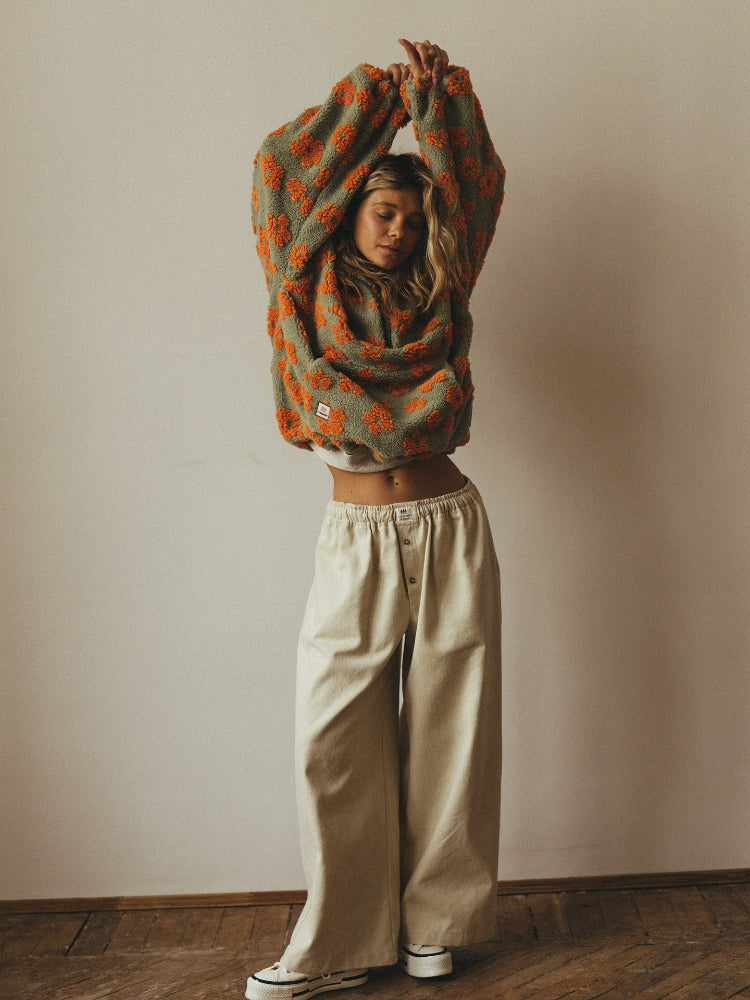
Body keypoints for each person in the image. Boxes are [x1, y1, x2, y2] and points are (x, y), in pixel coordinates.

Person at [246, 38, 505, 1000]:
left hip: (448, 521)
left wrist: (435, 107)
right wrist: (377, 98)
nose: (399, 231)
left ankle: (437, 924)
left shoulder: (443, 287)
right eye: (384, 212)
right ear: (347, 208)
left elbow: (477, 188)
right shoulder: (301, 285)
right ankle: (340, 943)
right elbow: (279, 168)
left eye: (412, 218)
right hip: (356, 537)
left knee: (453, 730)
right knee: (333, 736)